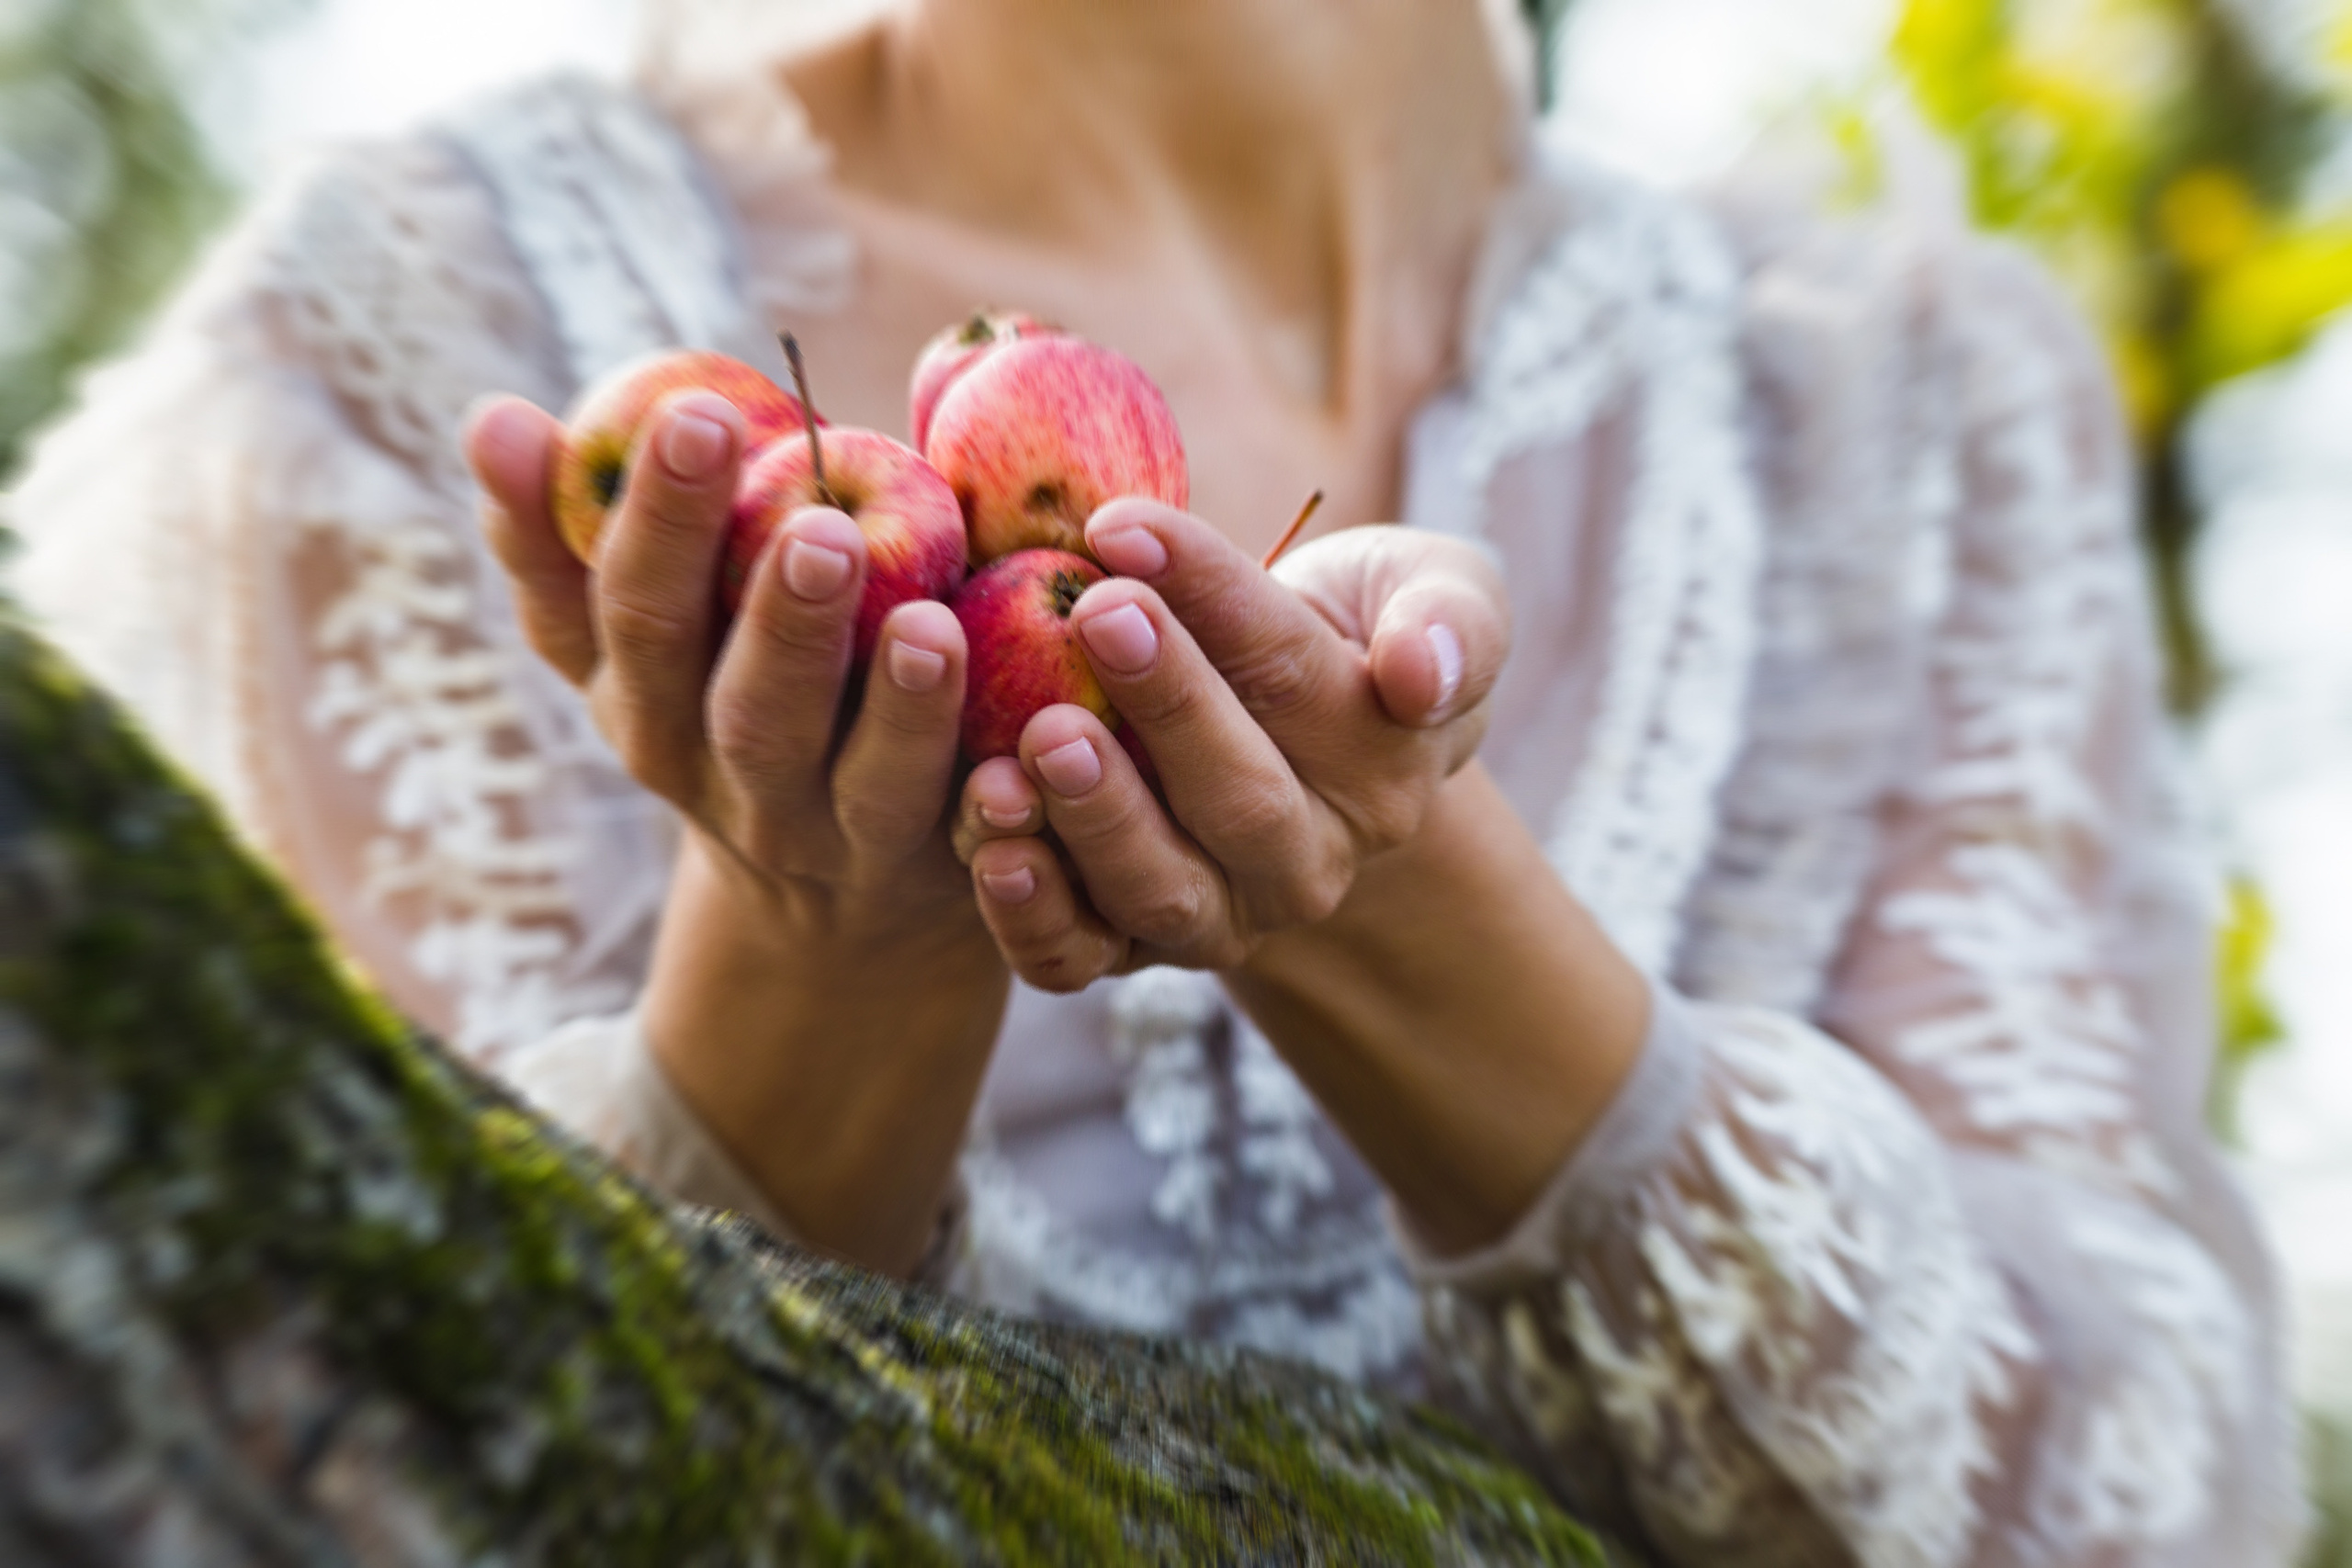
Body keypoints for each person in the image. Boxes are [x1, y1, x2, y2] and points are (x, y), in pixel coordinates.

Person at [3, 0, 2301, 1559]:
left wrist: (1411, 907)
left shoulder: (1908, 416)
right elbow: (271, 1445)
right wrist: (829, 966)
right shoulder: (408, 340)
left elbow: (2142, 1491)